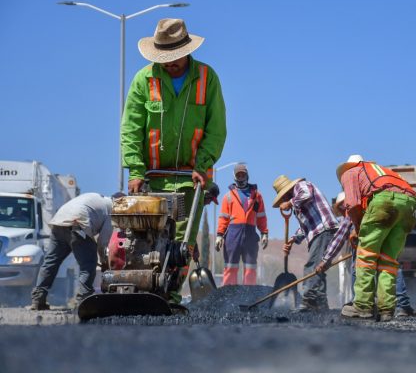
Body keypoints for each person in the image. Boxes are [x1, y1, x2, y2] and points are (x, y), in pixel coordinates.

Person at [120, 18, 227, 303]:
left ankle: (169, 297)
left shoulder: (207, 78)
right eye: (163, 59)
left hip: (190, 179)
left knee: (181, 245)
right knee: (143, 240)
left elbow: (216, 129)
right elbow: (131, 127)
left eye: (173, 58)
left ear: (186, 51)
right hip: (151, 179)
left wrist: (203, 166)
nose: (169, 64)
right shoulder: (144, 80)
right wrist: (135, 169)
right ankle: (142, 289)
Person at [335, 155, 416, 322]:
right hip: (410, 202)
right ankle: (386, 309)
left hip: (385, 199)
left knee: (366, 255)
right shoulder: (380, 172)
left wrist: (359, 230)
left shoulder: (350, 172)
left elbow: (351, 205)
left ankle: (363, 306)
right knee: (388, 260)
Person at [316, 192, 416, 318]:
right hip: (391, 222)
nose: (343, 210)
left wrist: (326, 260)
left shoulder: (353, 209)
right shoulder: (370, 205)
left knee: (359, 265)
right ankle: (400, 306)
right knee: (389, 263)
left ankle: (363, 304)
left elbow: (340, 237)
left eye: (342, 206)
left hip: (373, 237)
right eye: (341, 208)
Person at [30, 193, 115, 310]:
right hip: (78, 223)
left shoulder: (97, 198)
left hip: (59, 221)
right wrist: (105, 262)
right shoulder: (112, 209)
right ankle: (83, 300)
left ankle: (38, 299)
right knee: (88, 265)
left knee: (50, 262)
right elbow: (103, 242)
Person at [272, 175, 339, 311]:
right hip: (318, 231)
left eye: (283, 198)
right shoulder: (298, 205)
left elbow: (306, 194)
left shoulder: (301, 186)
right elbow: (306, 226)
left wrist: (290, 203)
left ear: (286, 192)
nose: (283, 202)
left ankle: (309, 300)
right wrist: (293, 239)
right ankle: (321, 305)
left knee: (312, 267)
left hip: (324, 229)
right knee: (319, 268)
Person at [215, 164, 268, 285]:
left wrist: (264, 233)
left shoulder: (257, 196)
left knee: (250, 268)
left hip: (250, 235)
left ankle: (248, 296)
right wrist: (219, 235)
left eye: (243, 174)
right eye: (238, 175)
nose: (241, 176)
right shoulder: (228, 197)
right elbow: (223, 218)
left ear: (247, 175)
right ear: (234, 176)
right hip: (233, 236)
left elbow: (261, 216)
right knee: (230, 266)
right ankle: (228, 294)